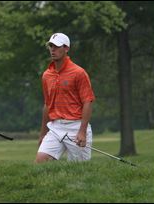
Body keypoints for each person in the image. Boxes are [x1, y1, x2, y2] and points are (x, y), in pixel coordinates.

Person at [35, 33, 95, 163]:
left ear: (66, 48)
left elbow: (88, 102)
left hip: (76, 126)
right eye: (51, 46)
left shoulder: (78, 73)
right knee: (41, 161)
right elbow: (47, 105)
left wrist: (82, 131)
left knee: (79, 171)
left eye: (56, 46)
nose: (53, 49)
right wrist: (42, 134)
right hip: (55, 126)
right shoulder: (47, 75)